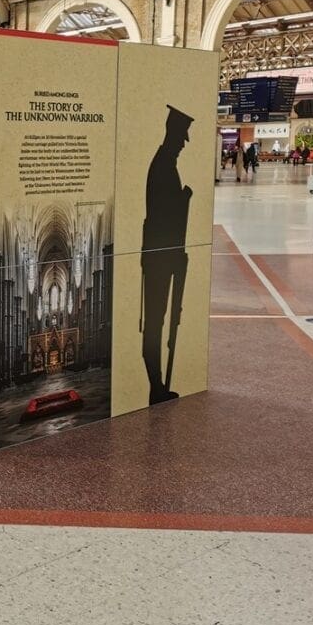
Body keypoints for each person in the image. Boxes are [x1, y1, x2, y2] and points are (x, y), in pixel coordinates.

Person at [140, 105, 193, 406]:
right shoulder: (162, 166)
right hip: (160, 255)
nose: (184, 143)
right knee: (156, 323)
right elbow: (163, 214)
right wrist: (183, 198)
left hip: (166, 253)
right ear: (172, 134)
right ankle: (156, 386)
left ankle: (157, 386)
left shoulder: (165, 165)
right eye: (182, 137)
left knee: (162, 321)